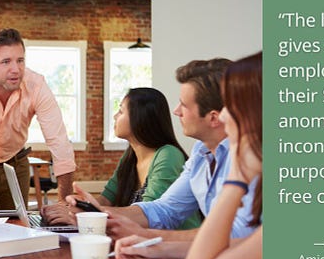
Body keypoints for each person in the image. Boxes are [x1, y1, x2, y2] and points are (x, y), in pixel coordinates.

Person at [114, 52, 263, 259]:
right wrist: (161, 249)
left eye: (233, 108)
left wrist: (237, 178)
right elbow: (251, 244)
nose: (224, 117)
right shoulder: (203, 153)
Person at [67, 58, 257, 244]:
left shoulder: (250, 157)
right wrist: (96, 213)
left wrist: (148, 237)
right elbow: (165, 209)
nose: (176, 111)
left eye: (184, 105)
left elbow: (240, 234)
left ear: (214, 118)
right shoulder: (201, 151)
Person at [42, 88, 200, 229]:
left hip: (171, 244)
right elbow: (106, 199)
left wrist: (89, 214)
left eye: (121, 111)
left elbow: (149, 214)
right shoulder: (131, 155)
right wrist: (78, 206)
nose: (115, 116)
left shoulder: (168, 154)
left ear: (140, 117)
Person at [0, 28, 75, 211]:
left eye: (20, 60)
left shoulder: (36, 86)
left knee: (17, 230)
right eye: (6, 62)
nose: (16, 70)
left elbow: (59, 142)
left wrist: (64, 203)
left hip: (15, 165)